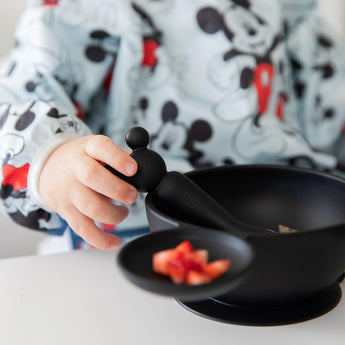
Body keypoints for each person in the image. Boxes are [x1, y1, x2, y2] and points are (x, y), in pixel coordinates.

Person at [1, 0, 345, 252]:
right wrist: (55, 157)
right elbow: (14, 111)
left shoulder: (284, 9)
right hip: (131, 240)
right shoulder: (75, 12)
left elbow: (332, 98)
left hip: (291, 225)